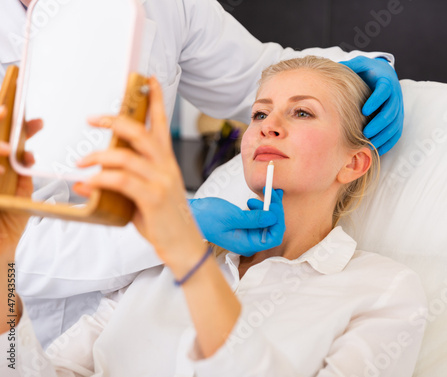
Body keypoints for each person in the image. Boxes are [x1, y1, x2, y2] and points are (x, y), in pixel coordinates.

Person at [2, 0, 405, 347]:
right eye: (258, 116)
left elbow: (266, 76)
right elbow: (11, 245)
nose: (267, 125)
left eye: (301, 113)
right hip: (22, 314)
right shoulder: (158, 279)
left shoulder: (378, 296)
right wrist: (166, 231)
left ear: (354, 162)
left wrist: (356, 71)